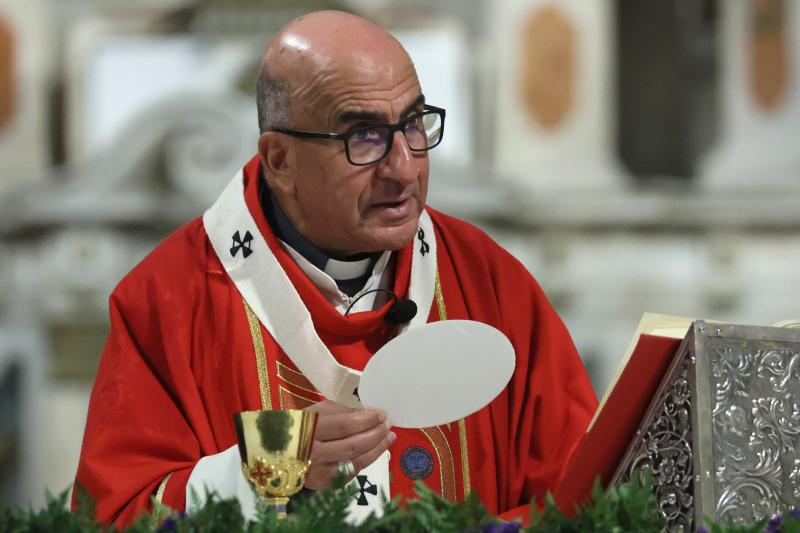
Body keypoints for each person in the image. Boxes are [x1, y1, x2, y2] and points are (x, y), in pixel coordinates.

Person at [73, 10, 597, 527]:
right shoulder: (170, 299)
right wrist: (270, 464)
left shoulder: (491, 284)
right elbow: (113, 515)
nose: (404, 168)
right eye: (364, 137)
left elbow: (587, 496)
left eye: (413, 125)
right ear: (279, 160)